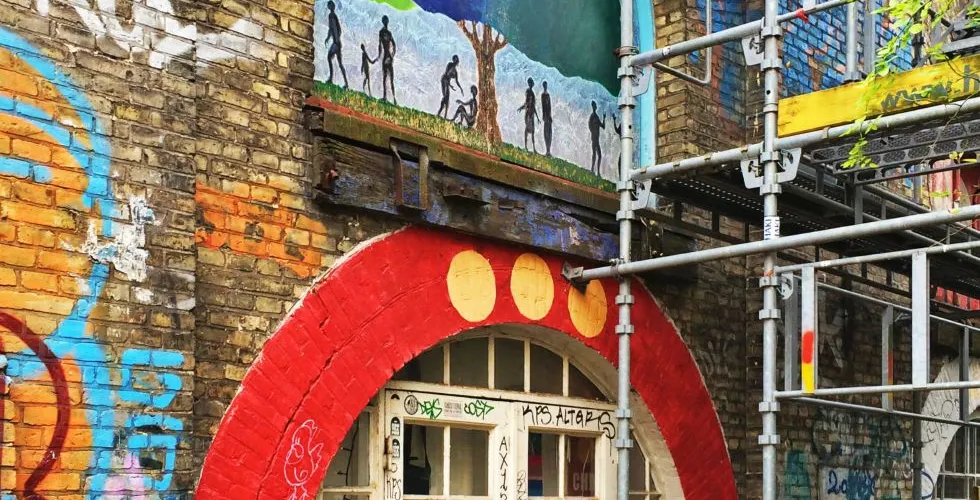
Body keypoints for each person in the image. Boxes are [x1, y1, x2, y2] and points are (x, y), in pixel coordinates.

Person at [324, 1, 349, 88]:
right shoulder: (334, 16)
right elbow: (335, 29)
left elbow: (333, 28)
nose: (330, 7)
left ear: (331, 6)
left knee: (329, 57)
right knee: (340, 63)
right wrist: (329, 38)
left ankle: (331, 79)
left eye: (330, 5)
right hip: (337, 43)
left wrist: (335, 40)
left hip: (336, 43)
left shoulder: (331, 16)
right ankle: (346, 83)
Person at [377, 15, 397, 104]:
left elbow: (394, 45)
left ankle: (393, 98)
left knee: (389, 78)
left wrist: (391, 56)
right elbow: (381, 45)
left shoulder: (386, 33)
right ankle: (387, 97)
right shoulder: (383, 32)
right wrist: (390, 56)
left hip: (387, 56)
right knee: (386, 78)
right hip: (387, 56)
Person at [517, 77, 539, 153]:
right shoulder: (528, 91)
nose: (532, 84)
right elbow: (527, 103)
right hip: (529, 114)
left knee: (532, 131)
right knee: (527, 130)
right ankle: (526, 147)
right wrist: (521, 108)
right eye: (531, 82)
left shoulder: (531, 92)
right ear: (529, 83)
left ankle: (533, 148)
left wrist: (537, 117)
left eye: (531, 82)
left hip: (531, 113)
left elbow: (533, 105)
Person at [588, 101, 606, 174]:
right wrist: (593, 132)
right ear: (593, 107)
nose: (595, 107)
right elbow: (589, 126)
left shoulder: (597, 117)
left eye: (595, 106)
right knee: (595, 155)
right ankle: (592, 170)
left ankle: (597, 172)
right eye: (594, 106)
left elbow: (603, 126)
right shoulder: (592, 116)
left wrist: (604, 118)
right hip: (594, 138)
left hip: (597, 139)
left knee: (599, 155)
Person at [541, 81, 553, 157]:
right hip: (546, 116)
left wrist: (550, 116)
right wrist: (545, 116)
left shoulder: (548, 95)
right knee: (546, 133)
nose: (545, 86)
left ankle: (548, 150)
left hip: (548, 116)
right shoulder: (543, 95)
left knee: (549, 133)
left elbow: (549, 107)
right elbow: (544, 107)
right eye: (545, 85)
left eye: (546, 85)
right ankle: (547, 150)